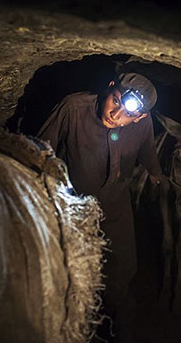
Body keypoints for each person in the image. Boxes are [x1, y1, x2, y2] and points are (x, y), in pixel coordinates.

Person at [38, 72, 163, 342]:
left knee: (123, 267)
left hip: (116, 204)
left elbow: (148, 150)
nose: (117, 115)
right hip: (73, 204)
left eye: (129, 114)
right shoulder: (73, 108)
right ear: (109, 88)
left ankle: (120, 327)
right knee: (68, 270)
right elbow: (39, 150)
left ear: (140, 117)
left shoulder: (143, 123)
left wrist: (155, 173)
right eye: (115, 101)